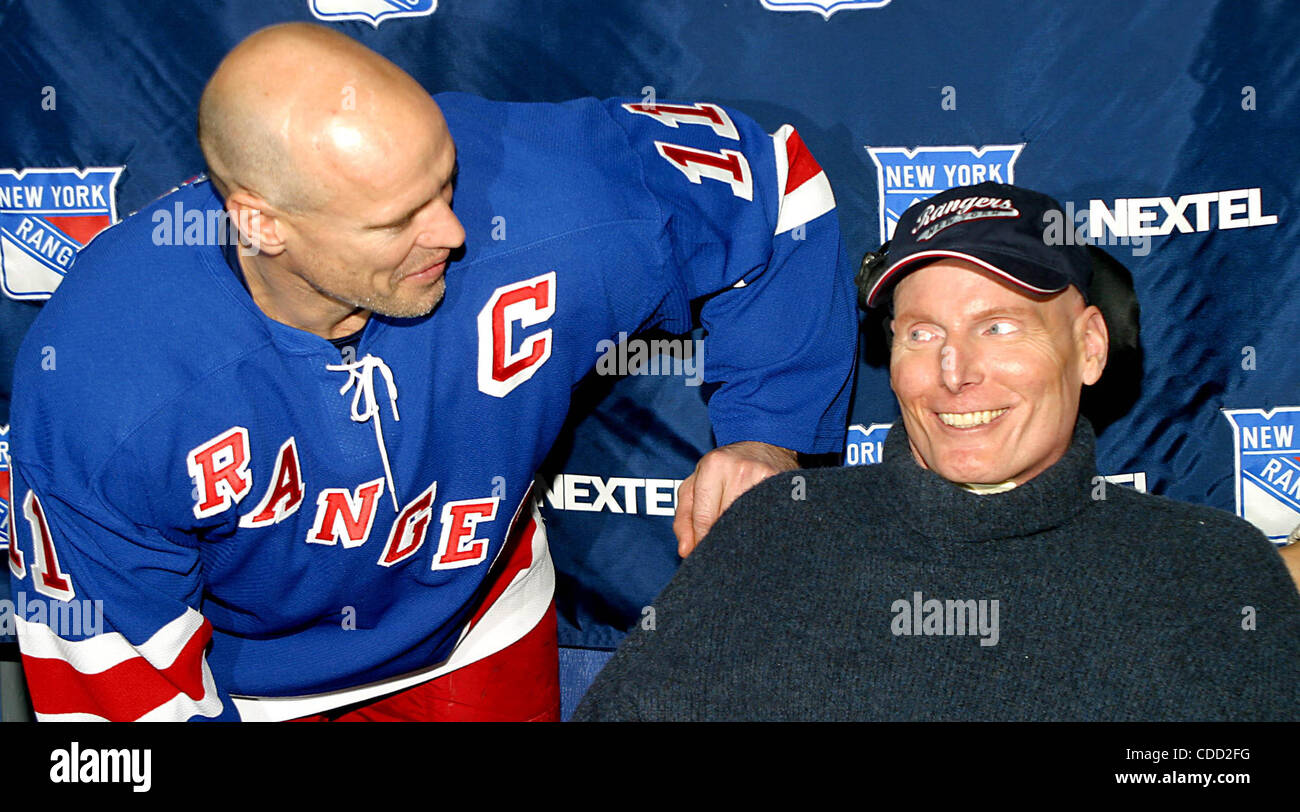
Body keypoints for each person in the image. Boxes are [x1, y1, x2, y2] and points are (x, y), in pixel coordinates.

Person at [5, 23, 856, 721]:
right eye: (396, 220)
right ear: (261, 226)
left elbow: (777, 191)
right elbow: (116, 683)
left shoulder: (550, 194)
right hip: (241, 676)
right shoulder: (106, 375)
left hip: (476, 628)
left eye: (445, 182)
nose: (451, 231)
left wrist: (770, 437)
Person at [574, 182, 1300, 721]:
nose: (956, 372)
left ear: (1089, 346)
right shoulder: (775, 534)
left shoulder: (1210, 569)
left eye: (1000, 328)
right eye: (921, 334)